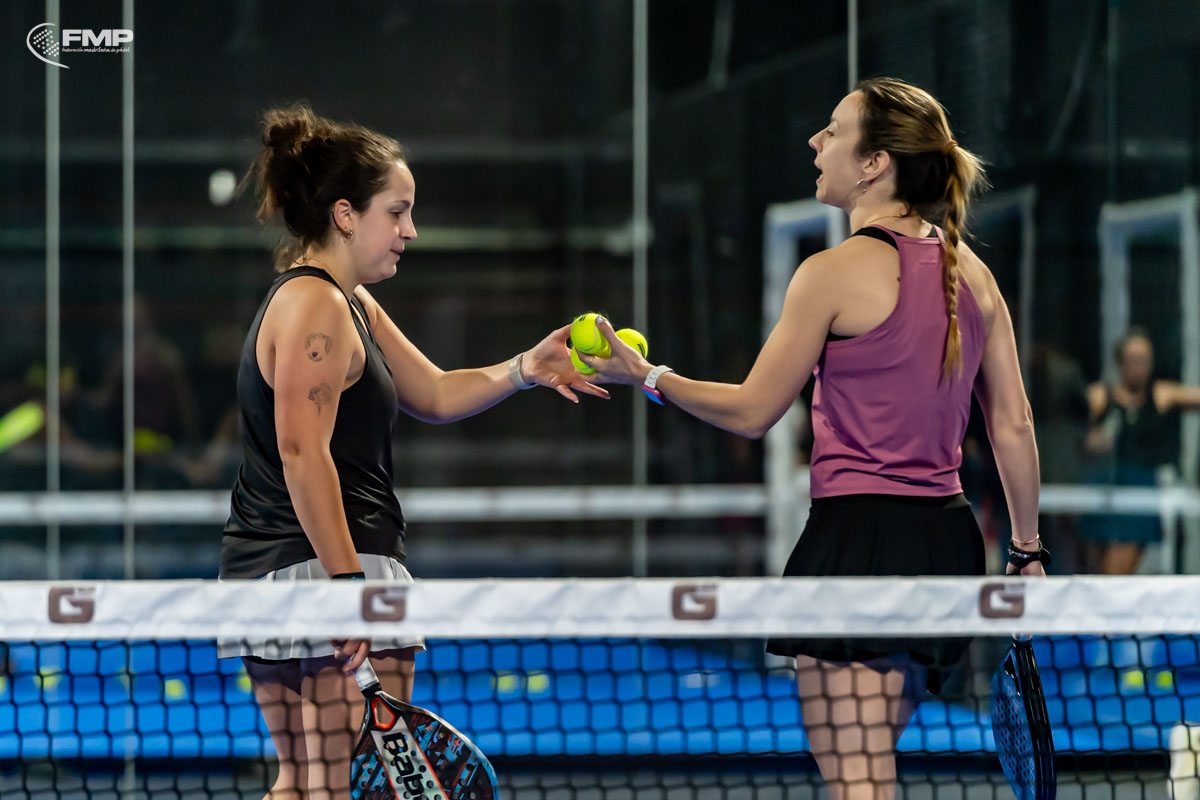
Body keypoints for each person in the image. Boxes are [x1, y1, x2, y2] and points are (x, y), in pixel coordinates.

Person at [580, 77, 1045, 800]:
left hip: (858, 543)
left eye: (833, 130)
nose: (815, 141)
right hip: (948, 546)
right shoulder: (976, 277)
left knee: (857, 780)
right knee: (865, 771)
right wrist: (1027, 550)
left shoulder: (828, 275)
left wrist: (648, 376)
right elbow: (1013, 424)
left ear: (874, 164)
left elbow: (752, 411)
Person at [219, 104, 606, 800]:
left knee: (303, 785)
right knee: (335, 787)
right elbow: (302, 453)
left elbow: (433, 391)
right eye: (397, 212)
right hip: (335, 565)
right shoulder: (318, 307)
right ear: (345, 215)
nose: (410, 230)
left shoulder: (348, 303)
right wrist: (349, 589)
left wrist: (525, 368)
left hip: (268, 572)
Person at [1082, 328, 1200, 574]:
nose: (1139, 367)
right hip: (1106, 486)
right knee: (1094, 572)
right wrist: (1094, 442)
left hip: (1140, 489)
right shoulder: (1101, 396)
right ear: (1120, 362)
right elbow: (1073, 435)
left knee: (1115, 574)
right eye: (1133, 360)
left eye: (1144, 360)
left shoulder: (1160, 395)